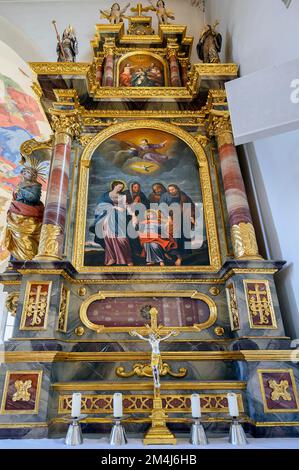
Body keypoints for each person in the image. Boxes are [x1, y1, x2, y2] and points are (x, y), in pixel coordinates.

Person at [2, 160, 46, 262]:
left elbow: (33, 198)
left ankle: (27, 260)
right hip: (16, 213)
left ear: (34, 175)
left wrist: (21, 190)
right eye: (25, 172)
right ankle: (15, 262)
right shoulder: (20, 184)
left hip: (28, 214)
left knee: (25, 238)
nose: (26, 174)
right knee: (16, 237)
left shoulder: (36, 186)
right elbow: (15, 197)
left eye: (29, 172)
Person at [92, 180, 133, 266]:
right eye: (119, 187)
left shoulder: (122, 196)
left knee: (122, 239)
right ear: (114, 186)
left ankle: (127, 258)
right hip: (107, 217)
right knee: (108, 237)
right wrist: (112, 207)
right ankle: (112, 257)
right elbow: (100, 205)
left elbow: (122, 209)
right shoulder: (105, 195)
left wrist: (115, 207)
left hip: (119, 218)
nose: (120, 188)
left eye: (121, 187)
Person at [160, 184, 195, 263]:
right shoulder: (165, 196)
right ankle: (177, 256)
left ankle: (184, 255)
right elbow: (162, 206)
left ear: (177, 189)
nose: (171, 191)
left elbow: (189, 205)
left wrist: (191, 216)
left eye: (173, 189)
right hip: (172, 218)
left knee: (185, 235)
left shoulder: (182, 194)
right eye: (170, 190)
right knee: (175, 236)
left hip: (183, 217)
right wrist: (168, 217)